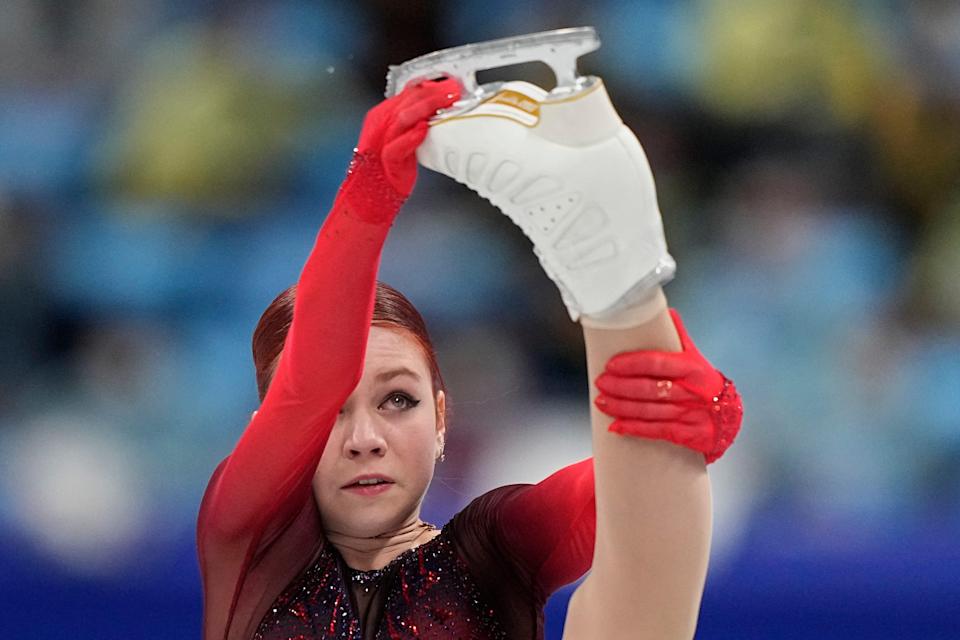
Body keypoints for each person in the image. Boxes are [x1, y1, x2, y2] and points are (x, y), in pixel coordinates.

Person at [197, 77, 742, 640]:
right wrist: (370, 194)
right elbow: (309, 381)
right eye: (329, 413)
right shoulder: (247, 540)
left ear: (439, 418)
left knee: (643, 543)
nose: (365, 438)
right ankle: (615, 279)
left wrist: (683, 418)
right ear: (265, 437)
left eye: (397, 400)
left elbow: (630, 501)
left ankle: (612, 275)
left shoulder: (493, 548)